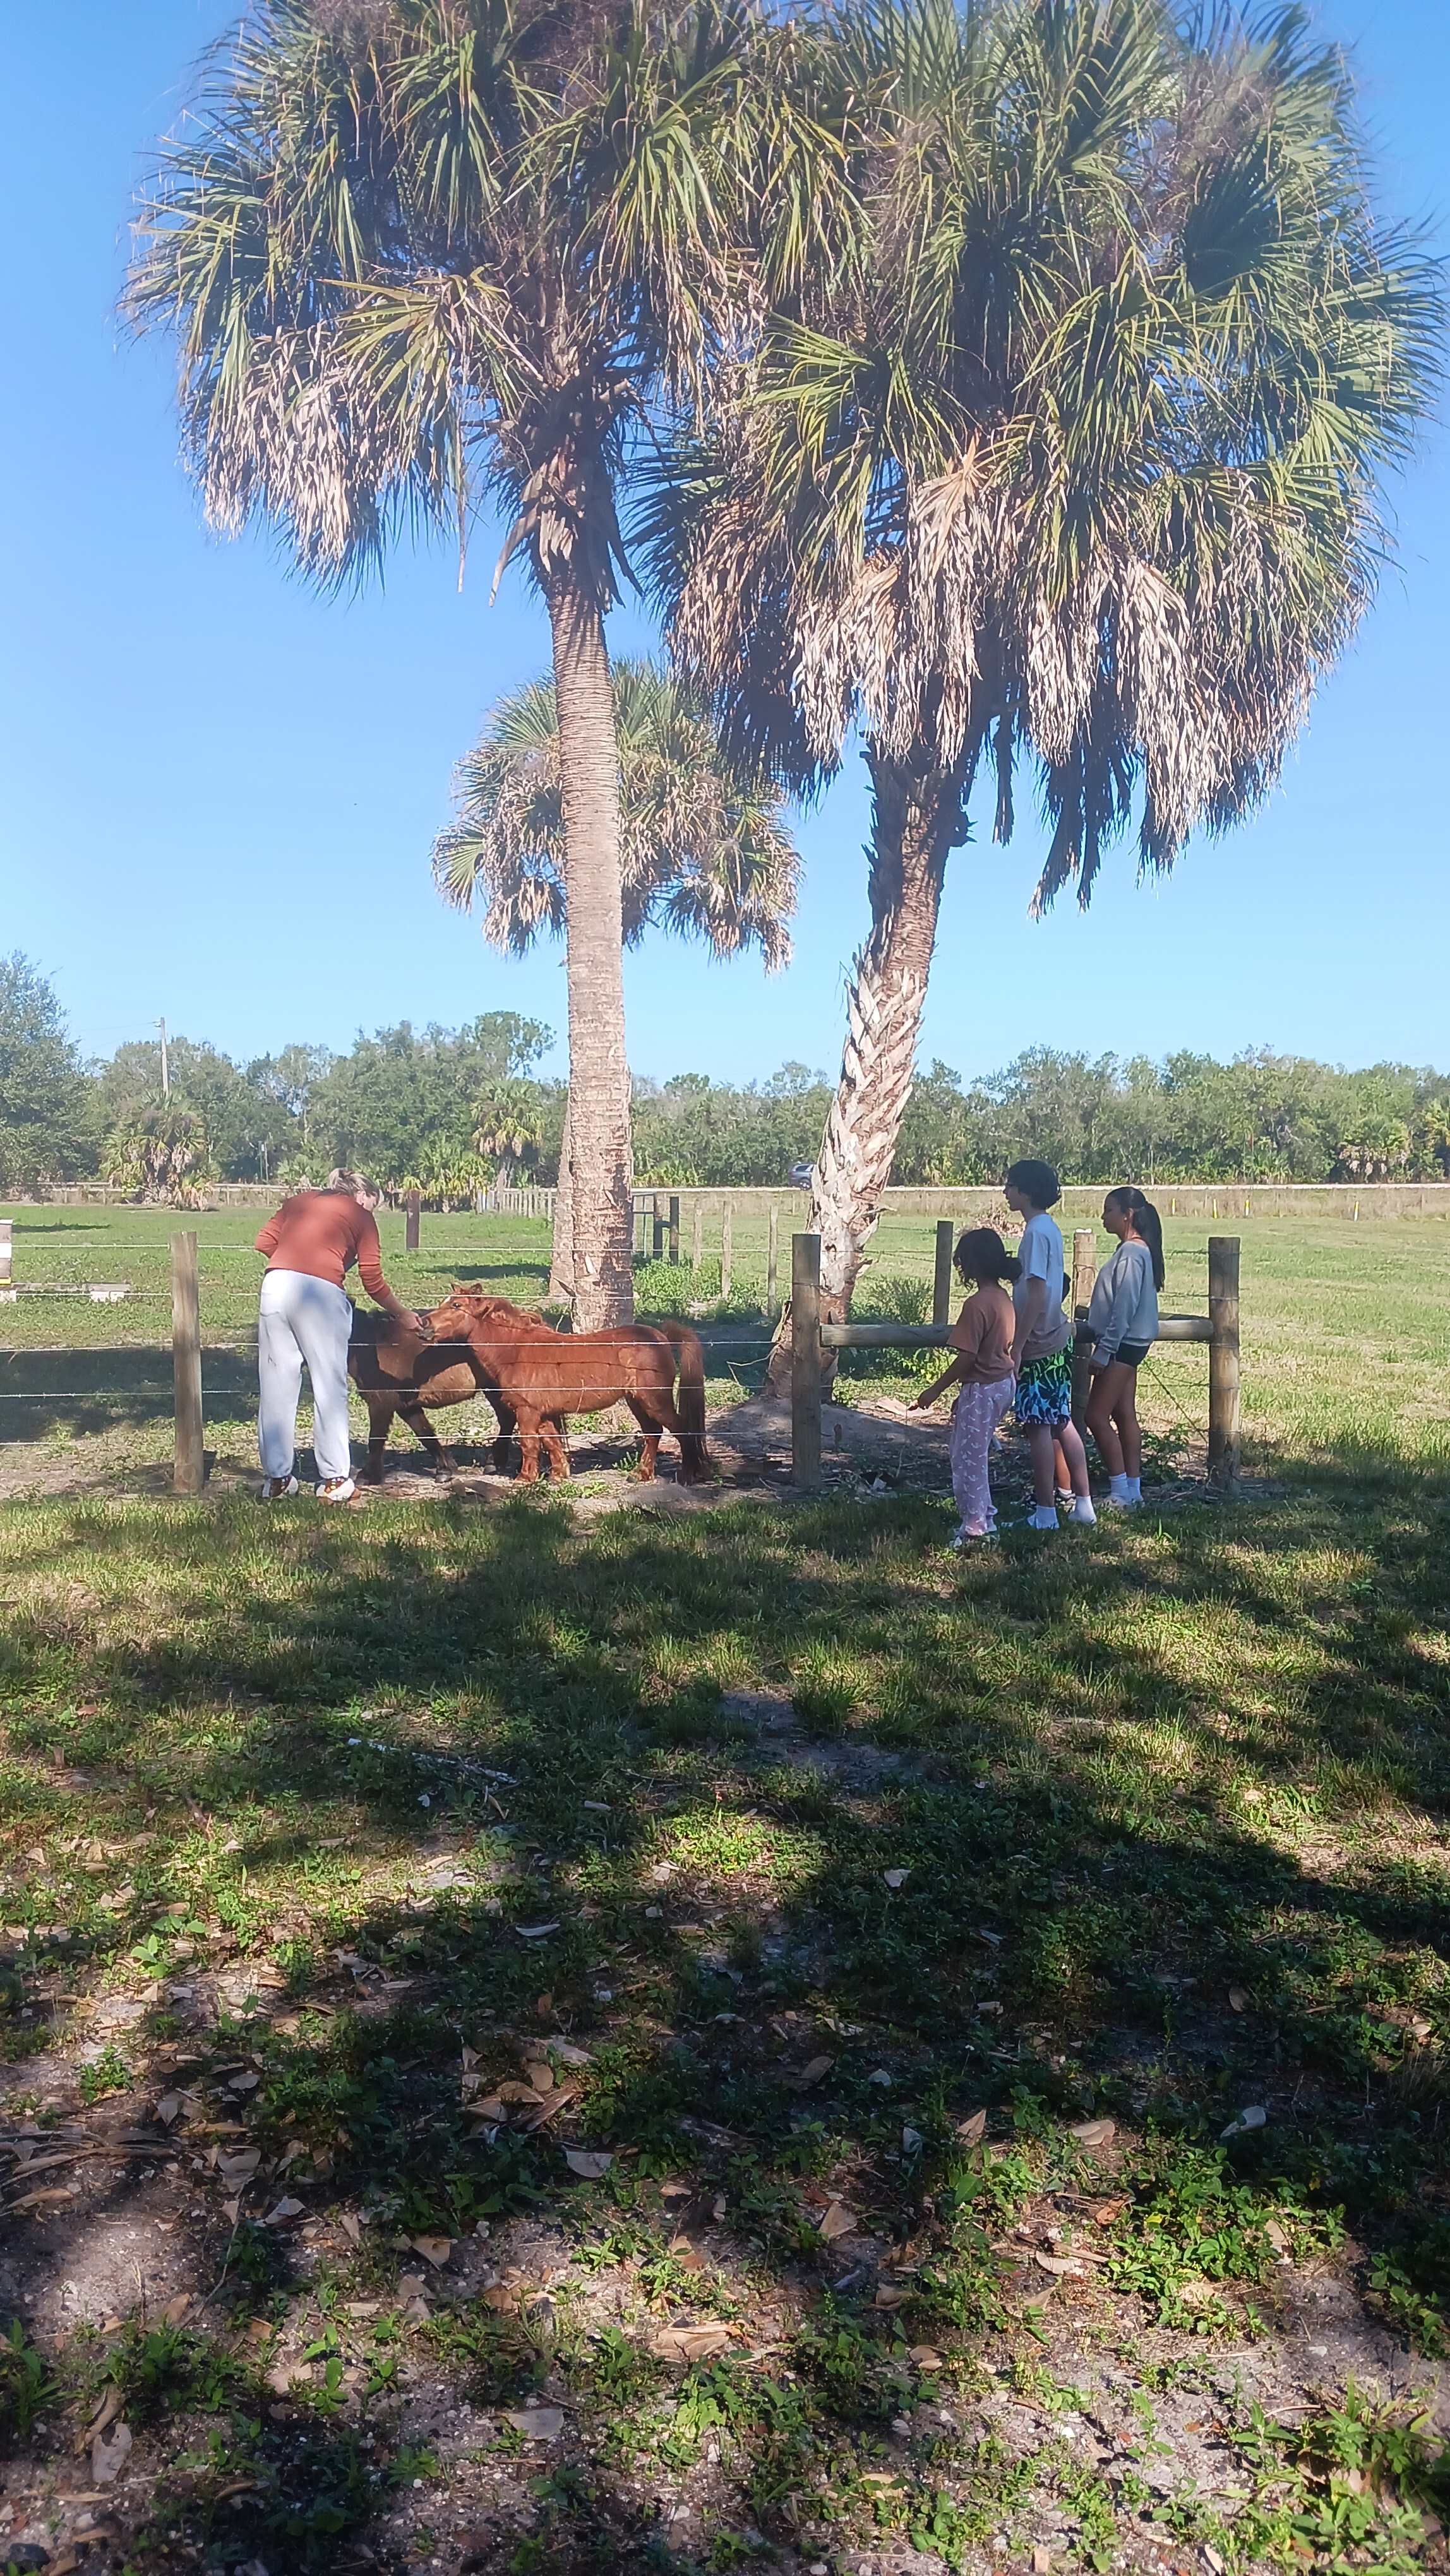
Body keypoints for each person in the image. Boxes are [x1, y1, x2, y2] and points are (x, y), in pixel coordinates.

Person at [254, 1171, 426, 1504]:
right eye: (372, 1205)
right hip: (321, 1296)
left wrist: (295, 1262)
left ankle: (277, 1480)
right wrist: (402, 1313)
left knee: (277, 1383)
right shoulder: (360, 1215)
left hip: (275, 1287)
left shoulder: (299, 1202)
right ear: (361, 1196)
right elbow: (371, 1278)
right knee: (329, 1385)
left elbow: (264, 1242)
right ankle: (334, 1481)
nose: (371, 1211)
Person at [1004, 1159, 1096, 1530]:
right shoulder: (1048, 1228)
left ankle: (1045, 1512)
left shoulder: (1035, 1234)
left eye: (1010, 1186)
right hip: (1057, 1336)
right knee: (1061, 1420)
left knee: (1038, 1427)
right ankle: (1084, 1504)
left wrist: (1018, 1345)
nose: (1006, 1192)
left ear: (1025, 1191)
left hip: (1039, 1341)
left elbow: (1037, 1292)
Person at [911, 1227, 1018, 1545]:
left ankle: (974, 1529)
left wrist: (935, 1390)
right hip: (1001, 1383)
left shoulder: (977, 1304)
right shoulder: (1002, 1297)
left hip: (982, 1388)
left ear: (972, 1263)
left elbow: (967, 1357)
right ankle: (985, 1517)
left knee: (967, 1460)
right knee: (976, 1453)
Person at [1084, 1185, 1164, 1508]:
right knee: (1123, 1413)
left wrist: (1104, 1351)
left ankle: (1120, 1492)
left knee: (1095, 1416)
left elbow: (1124, 1306)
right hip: (1131, 1344)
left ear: (1127, 1215)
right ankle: (1133, 1490)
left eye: (1109, 1210)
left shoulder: (1131, 1253)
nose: (1103, 1217)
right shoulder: (1138, 1250)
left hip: (1122, 1344)